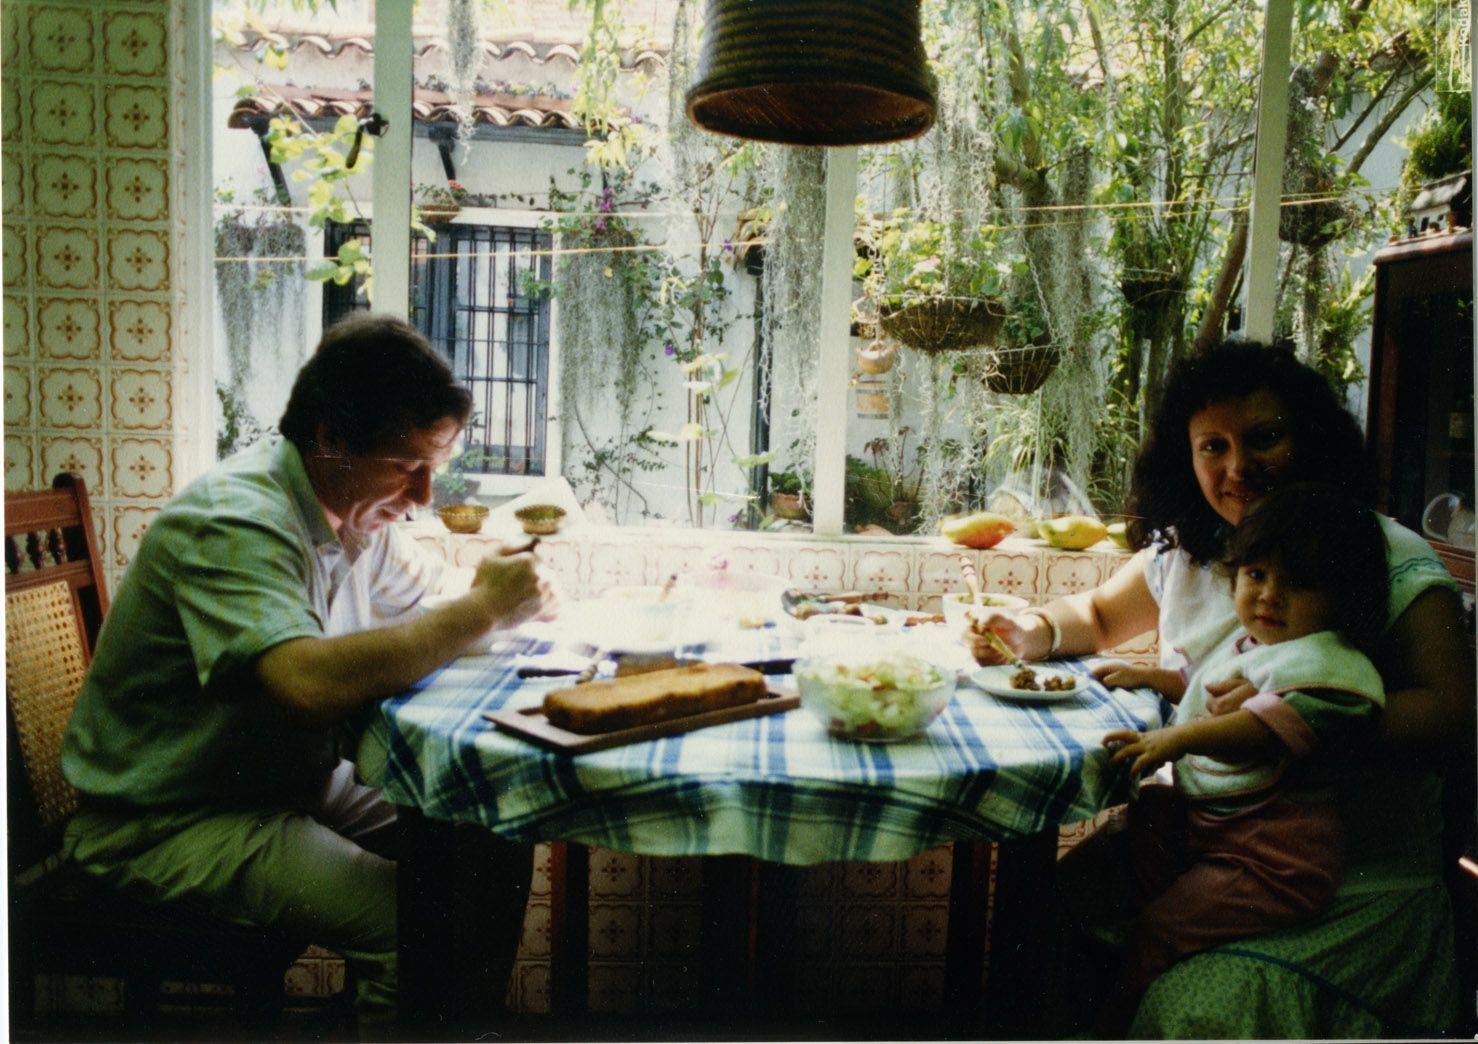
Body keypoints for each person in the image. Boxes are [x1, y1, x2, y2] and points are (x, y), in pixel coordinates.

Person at [60, 314, 555, 1033]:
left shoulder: (352, 513)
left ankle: (453, 1027)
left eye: (435, 468)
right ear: (330, 440)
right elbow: (305, 684)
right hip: (168, 820)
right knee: (412, 931)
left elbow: (438, 602)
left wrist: (508, 598)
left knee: (493, 823)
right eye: (406, 466)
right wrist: (483, 609)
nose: (424, 496)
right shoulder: (238, 520)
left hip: (286, 783)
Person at [965, 340, 1472, 1037]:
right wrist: (1029, 630)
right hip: (1204, 841)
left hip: (1348, 885)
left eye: (1264, 438)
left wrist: (1296, 721)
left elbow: (1453, 715)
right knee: (1058, 903)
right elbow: (1098, 615)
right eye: (1214, 447)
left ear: (1312, 439)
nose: (1238, 467)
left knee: (1190, 1013)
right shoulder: (1193, 550)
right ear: (1188, 458)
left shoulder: (1387, 554)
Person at [1098, 482, 1390, 1033]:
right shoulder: (1260, 644)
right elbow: (1205, 683)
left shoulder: (1331, 665)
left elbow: (1263, 727)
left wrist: (1176, 740)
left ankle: (1117, 1016)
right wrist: (1149, 676)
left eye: (1298, 582)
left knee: (1159, 929)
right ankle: (1160, 920)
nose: (1269, 596)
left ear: (1343, 596)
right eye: (1256, 575)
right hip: (1222, 831)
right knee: (1146, 816)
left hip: (1273, 864)